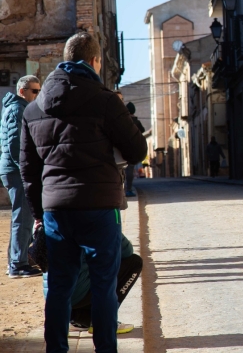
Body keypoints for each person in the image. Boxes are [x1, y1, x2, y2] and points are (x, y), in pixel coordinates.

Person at [20, 32, 148, 353]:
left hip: (56, 211)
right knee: (104, 285)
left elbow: (28, 171)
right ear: (94, 61)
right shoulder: (105, 101)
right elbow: (137, 151)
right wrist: (122, 117)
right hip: (98, 209)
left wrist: (40, 214)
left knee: (59, 287)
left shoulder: (34, 110)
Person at [40, 234, 142, 334]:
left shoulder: (53, 218)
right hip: (76, 294)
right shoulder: (95, 219)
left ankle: (76, 318)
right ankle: (103, 320)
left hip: (53, 296)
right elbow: (126, 250)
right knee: (134, 262)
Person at [1, 75, 42, 278]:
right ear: (22, 91)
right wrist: (27, 170)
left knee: (21, 216)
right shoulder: (18, 109)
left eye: (39, 91)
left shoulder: (18, 108)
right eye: (34, 91)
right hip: (16, 171)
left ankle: (16, 261)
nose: (37, 95)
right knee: (23, 217)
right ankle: (18, 264)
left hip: (13, 169)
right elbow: (15, 144)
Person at [124, 102, 145, 196]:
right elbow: (142, 131)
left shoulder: (123, 120)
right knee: (130, 170)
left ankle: (122, 190)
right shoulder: (137, 122)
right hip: (133, 148)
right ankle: (128, 189)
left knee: (121, 170)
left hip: (122, 147)